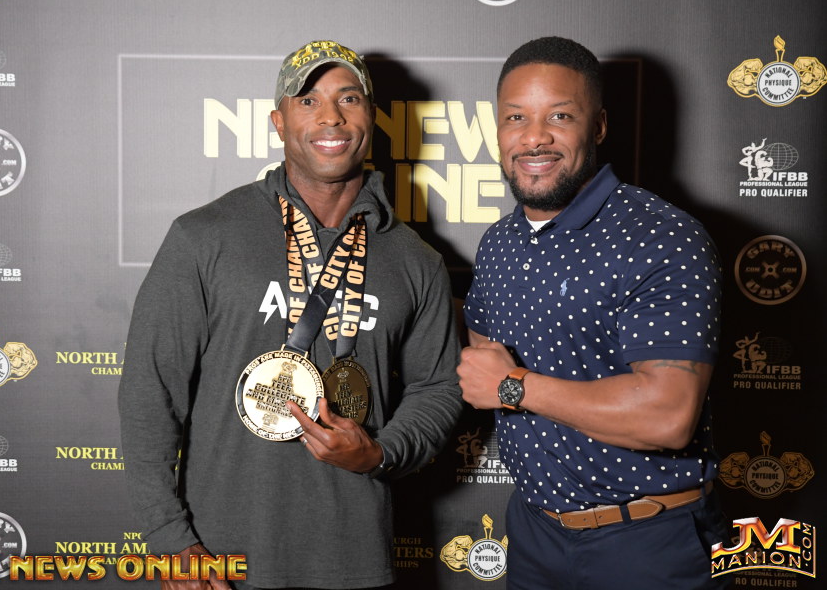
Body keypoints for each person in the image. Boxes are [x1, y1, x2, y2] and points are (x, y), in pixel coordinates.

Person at [119, 40, 462, 590]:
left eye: (349, 98)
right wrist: (170, 539)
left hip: (355, 562)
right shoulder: (203, 237)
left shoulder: (415, 260)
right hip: (221, 562)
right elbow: (150, 390)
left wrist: (381, 453)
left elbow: (438, 387)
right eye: (308, 100)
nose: (331, 116)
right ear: (278, 122)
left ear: (371, 117)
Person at [457, 37, 729, 589]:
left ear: (598, 126)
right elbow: (479, 361)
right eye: (515, 117)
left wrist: (513, 386)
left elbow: (668, 416)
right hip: (534, 534)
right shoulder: (499, 243)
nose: (534, 136)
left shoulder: (661, 237)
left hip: (648, 543)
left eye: (559, 116)